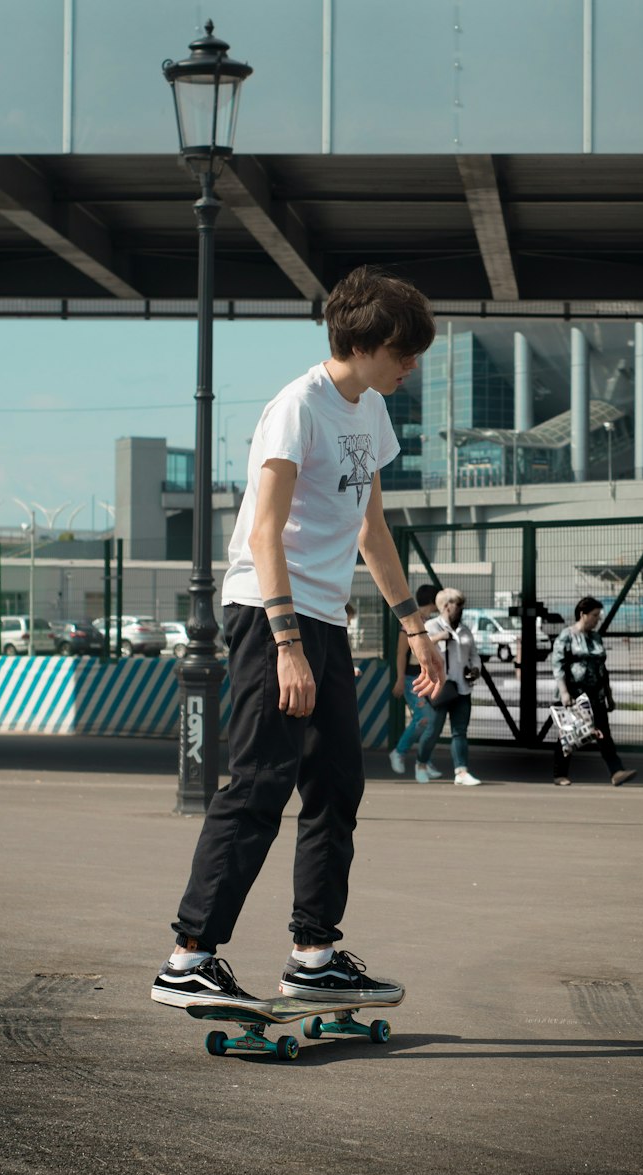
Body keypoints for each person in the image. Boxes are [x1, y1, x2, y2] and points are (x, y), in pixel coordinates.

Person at [151, 265, 443, 1011]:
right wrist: (284, 643)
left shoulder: (369, 411)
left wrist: (418, 628)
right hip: (267, 614)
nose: (411, 366)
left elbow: (371, 530)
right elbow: (264, 531)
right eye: (405, 353)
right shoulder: (297, 408)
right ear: (371, 341)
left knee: (337, 784)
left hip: (324, 618)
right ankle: (190, 955)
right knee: (258, 784)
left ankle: (313, 953)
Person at [551, 595, 636, 788]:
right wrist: (564, 693)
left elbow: (602, 669)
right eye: (595, 615)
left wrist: (609, 695)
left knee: (604, 733)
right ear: (583, 614)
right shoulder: (567, 635)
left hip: (596, 694)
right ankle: (559, 774)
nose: (598, 619)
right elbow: (558, 666)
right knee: (568, 735)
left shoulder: (596, 637)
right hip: (574, 694)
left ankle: (616, 772)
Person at [416, 587, 483, 786]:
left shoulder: (465, 630)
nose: (461, 608)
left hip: (462, 688)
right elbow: (420, 650)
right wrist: (439, 638)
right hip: (439, 687)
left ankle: (461, 772)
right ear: (446, 606)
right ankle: (421, 764)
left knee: (460, 730)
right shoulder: (431, 626)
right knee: (433, 731)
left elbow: (474, 654)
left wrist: (475, 668)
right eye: (458, 604)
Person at [389, 583, 441, 777]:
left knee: (433, 720)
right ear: (432, 600)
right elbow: (401, 653)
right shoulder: (411, 622)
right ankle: (399, 752)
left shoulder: (430, 620)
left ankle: (425, 762)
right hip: (412, 678)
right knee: (424, 717)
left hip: (428, 677)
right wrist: (400, 679)